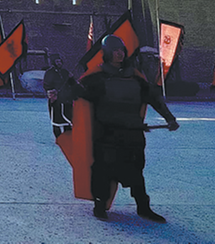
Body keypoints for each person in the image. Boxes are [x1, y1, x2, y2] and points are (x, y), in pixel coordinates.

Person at [69, 35, 179, 223]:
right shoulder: (96, 78)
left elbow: (153, 98)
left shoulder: (135, 77)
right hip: (107, 134)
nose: (119, 54)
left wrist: (169, 118)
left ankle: (143, 207)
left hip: (132, 133)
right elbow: (81, 95)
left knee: (136, 172)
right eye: (114, 51)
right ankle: (100, 205)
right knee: (103, 171)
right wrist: (69, 87)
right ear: (107, 53)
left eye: (121, 50)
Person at [43, 54, 76, 137]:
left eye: (60, 61)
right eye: (57, 61)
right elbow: (46, 85)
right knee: (56, 120)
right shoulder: (49, 73)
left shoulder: (65, 72)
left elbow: (72, 84)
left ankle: (68, 137)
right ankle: (58, 137)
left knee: (67, 120)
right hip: (56, 100)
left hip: (66, 99)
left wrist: (71, 78)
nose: (59, 63)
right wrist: (52, 91)